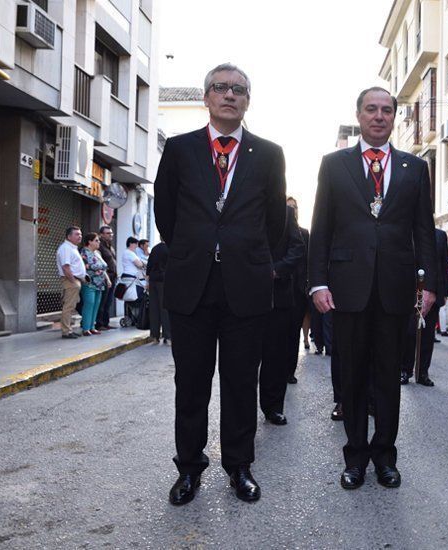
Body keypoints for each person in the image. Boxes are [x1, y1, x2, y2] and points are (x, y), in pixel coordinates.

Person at [154, 62, 286, 505]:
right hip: (193, 284)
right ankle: (188, 468)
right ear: (206, 97)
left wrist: (244, 253)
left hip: (244, 286)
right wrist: (197, 248)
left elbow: (274, 222)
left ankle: (239, 466)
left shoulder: (268, 154)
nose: (230, 95)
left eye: (239, 89)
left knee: (240, 381)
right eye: (221, 88)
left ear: (248, 100)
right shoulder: (179, 149)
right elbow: (166, 215)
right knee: (191, 383)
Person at [308, 86, 436, 490]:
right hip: (348, 287)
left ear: (394, 117)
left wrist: (430, 283)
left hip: (395, 288)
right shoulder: (333, 165)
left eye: (386, 110)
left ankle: (385, 457)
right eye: (371, 109)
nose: (378, 116)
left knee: (388, 377)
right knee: (353, 375)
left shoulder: (415, 168)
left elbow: (423, 229)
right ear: (359, 115)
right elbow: (322, 226)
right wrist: (317, 283)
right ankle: (355, 458)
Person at [258, 204, 304, 425]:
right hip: (246, 294)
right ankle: (243, 410)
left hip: (280, 295)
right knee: (243, 359)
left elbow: (297, 248)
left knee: (275, 357)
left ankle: (273, 407)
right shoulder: (245, 204)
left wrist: (278, 270)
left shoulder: (286, 213)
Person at [401, 227, 448, 386]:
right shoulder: (405, 232)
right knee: (408, 334)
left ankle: (423, 373)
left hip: (433, 294)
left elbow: (444, 265)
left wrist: (444, 293)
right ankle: (405, 370)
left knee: (428, 337)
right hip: (409, 294)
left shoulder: (441, 236)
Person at [285, 196, 310, 384]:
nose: (292, 210)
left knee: (293, 335)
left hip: (298, 292)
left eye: (294, 207)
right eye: (288, 207)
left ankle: (289, 371)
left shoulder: (304, 233)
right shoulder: (275, 231)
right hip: (279, 289)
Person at [56, 226, 86, 339]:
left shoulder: (73, 248)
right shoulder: (66, 248)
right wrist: (73, 281)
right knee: (68, 306)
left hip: (75, 280)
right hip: (70, 280)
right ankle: (66, 331)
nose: (80, 236)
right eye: (77, 234)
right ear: (69, 236)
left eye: (80, 234)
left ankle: (68, 329)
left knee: (71, 306)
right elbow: (66, 267)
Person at [78, 233, 110, 336]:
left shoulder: (98, 253)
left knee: (96, 305)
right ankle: (85, 328)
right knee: (89, 304)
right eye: (96, 240)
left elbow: (103, 267)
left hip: (100, 283)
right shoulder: (84, 252)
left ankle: (92, 327)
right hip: (89, 282)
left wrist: (107, 279)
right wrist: (101, 267)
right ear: (89, 242)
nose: (99, 242)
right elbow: (89, 266)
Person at [146, 241, 171, 344]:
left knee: (154, 308)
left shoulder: (155, 248)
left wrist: (147, 281)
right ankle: (168, 336)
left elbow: (149, 265)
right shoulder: (171, 247)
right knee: (165, 309)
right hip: (165, 280)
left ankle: (154, 336)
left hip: (153, 280)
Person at [96, 225, 117, 330]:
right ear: (101, 235)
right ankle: (99, 324)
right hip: (105, 277)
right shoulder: (99, 246)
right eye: (108, 233)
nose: (111, 235)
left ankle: (106, 322)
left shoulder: (110, 247)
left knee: (108, 302)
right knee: (102, 301)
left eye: (111, 233)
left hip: (113, 277)